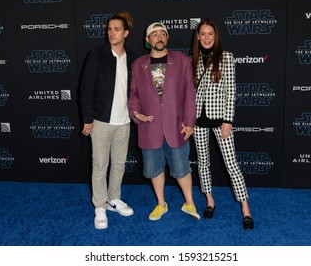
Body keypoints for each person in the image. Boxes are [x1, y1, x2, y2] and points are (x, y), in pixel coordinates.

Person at [128, 22, 200, 221]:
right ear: (147, 40)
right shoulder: (137, 64)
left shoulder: (182, 60)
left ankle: (190, 203)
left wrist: (190, 122)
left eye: (162, 34)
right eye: (154, 34)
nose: (159, 37)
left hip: (176, 126)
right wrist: (135, 112)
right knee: (153, 169)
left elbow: (189, 95)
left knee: (181, 168)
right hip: (149, 126)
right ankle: (161, 204)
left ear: (167, 38)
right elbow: (133, 95)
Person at [191, 19, 254, 229]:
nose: (207, 38)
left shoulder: (227, 57)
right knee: (203, 162)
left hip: (221, 120)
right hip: (198, 120)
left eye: (211, 34)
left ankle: (245, 207)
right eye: (203, 34)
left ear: (215, 36)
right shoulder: (194, 59)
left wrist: (228, 119)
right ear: (198, 37)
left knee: (231, 164)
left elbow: (231, 91)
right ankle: (209, 200)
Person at [80, 12, 137, 229]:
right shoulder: (96, 55)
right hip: (101, 121)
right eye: (109, 29)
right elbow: (85, 89)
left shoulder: (133, 57)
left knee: (119, 163)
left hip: (124, 122)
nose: (111, 33)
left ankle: (114, 198)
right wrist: (87, 118)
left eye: (116, 29)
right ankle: (100, 206)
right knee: (100, 165)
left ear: (125, 33)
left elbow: (136, 91)